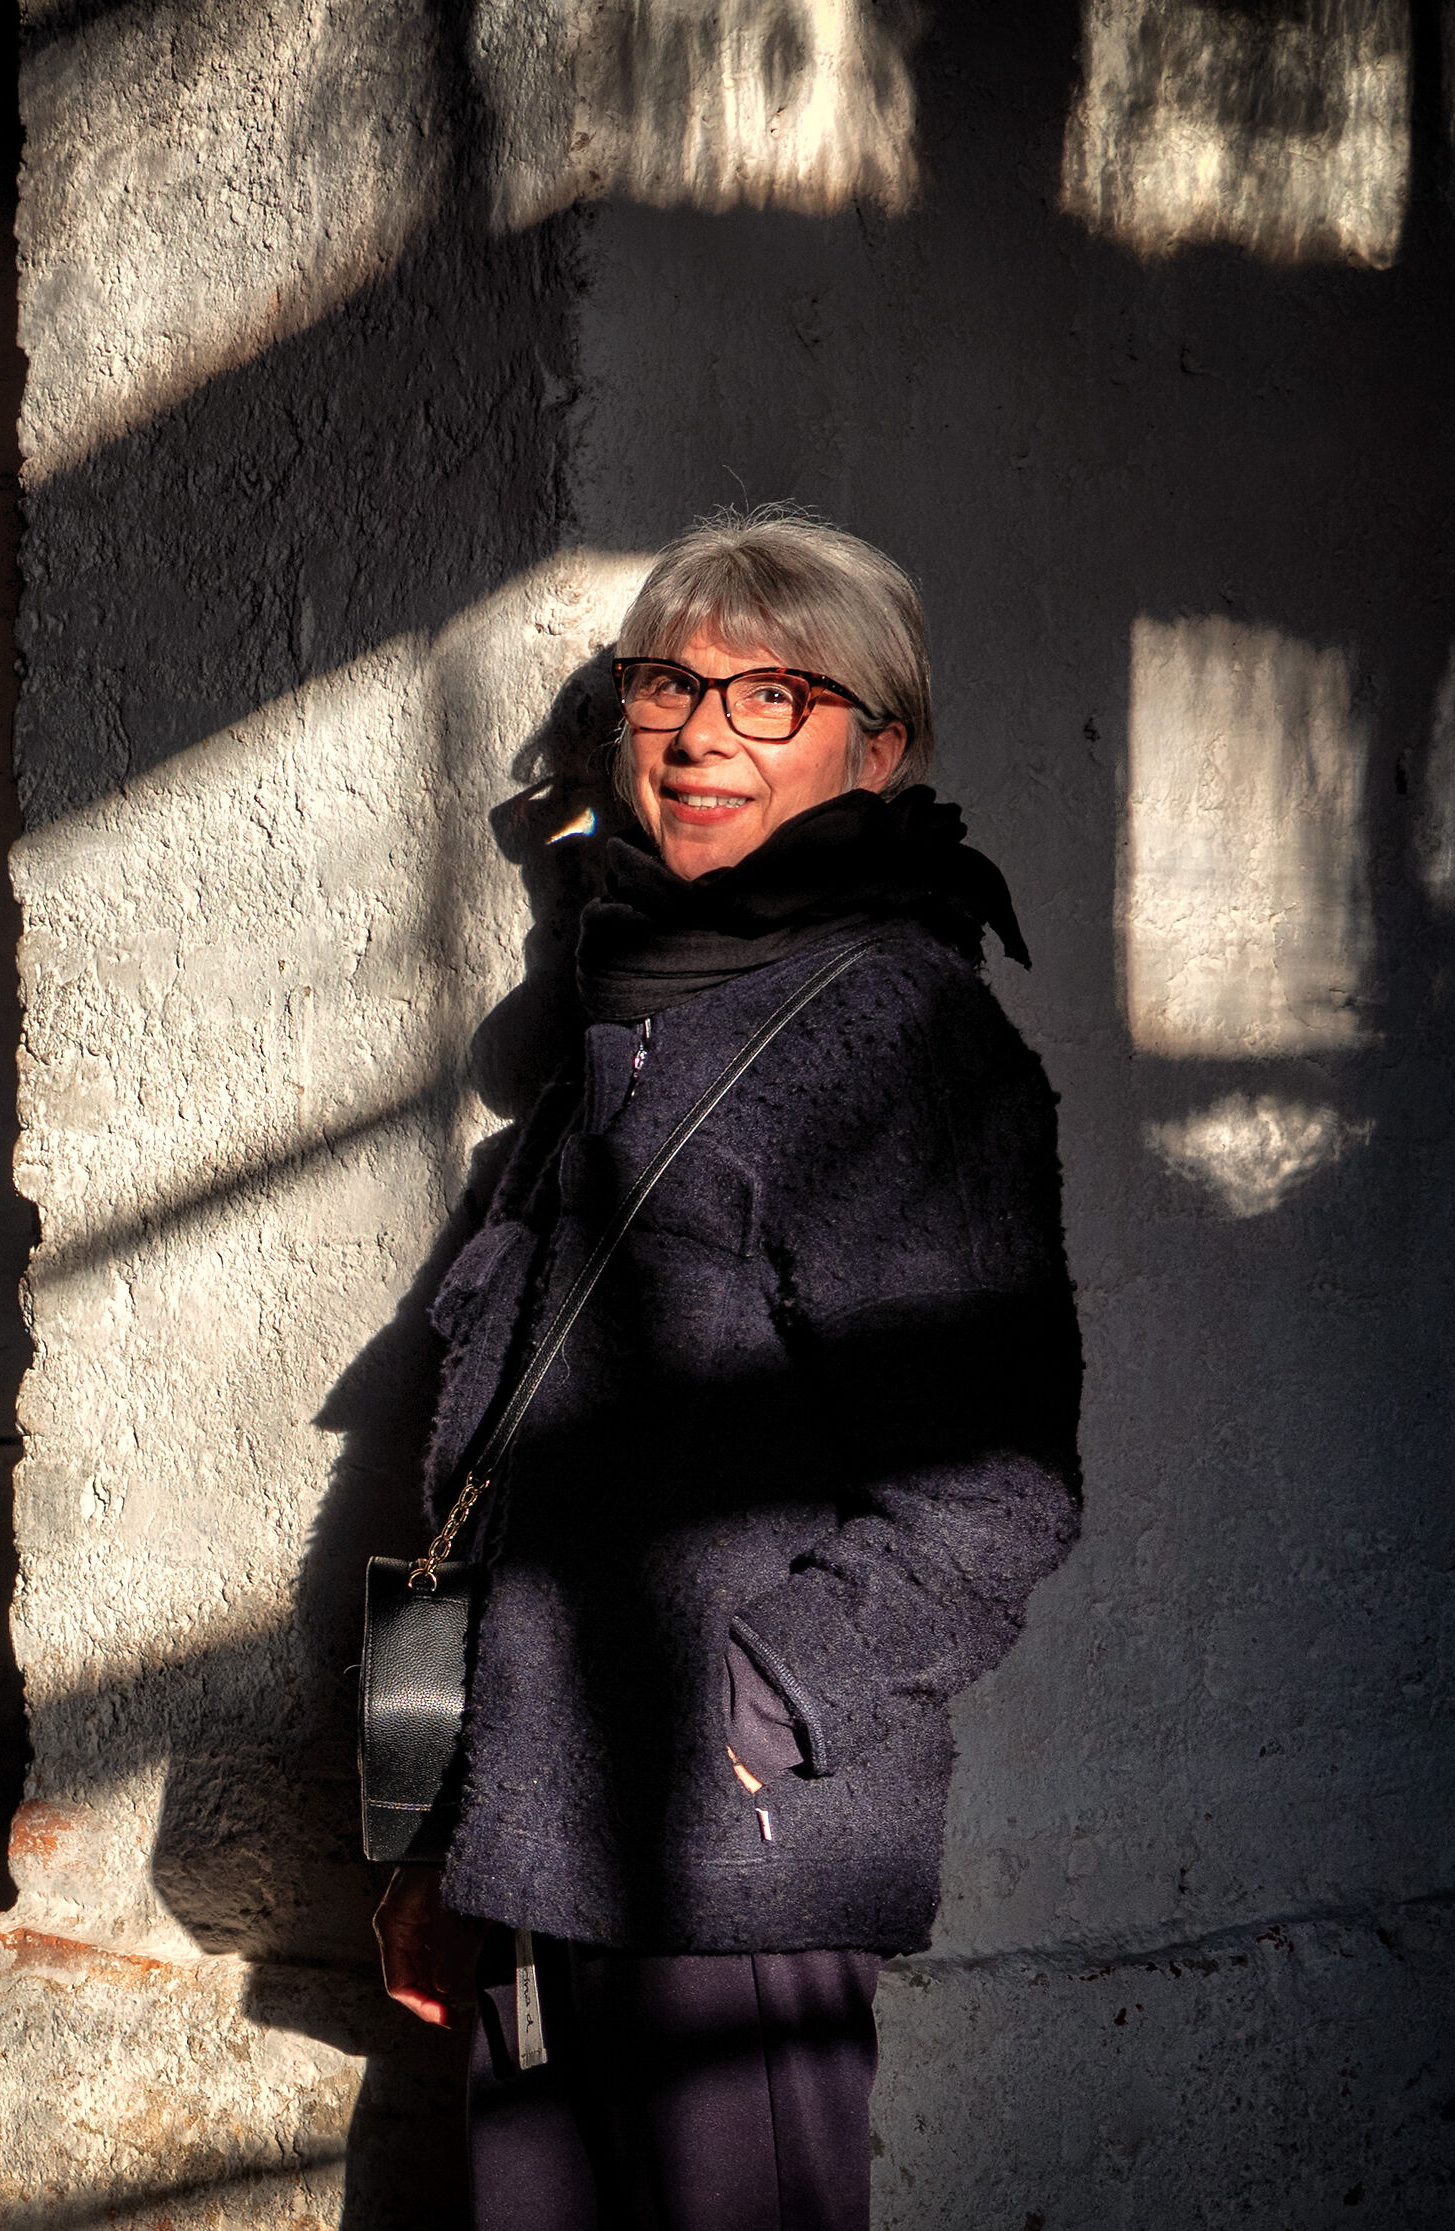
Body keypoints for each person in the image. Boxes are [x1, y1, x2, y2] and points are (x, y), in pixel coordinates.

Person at [372, 509, 1082, 2231]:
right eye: (670, 684)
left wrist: (747, 1718)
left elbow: (992, 1489)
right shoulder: (636, 1014)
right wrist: (455, 1831)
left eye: (774, 694)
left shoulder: (889, 1032)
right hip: (543, 1833)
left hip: (717, 1861)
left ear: (878, 744)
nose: (698, 734)